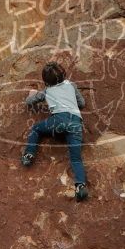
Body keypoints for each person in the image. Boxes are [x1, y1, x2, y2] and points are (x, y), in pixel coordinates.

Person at [21, 61, 89, 201]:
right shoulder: (71, 85)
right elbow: (82, 103)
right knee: (76, 158)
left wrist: (31, 94)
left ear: (46, 81)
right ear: (64, 74)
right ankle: (80, 186)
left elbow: (29, 102)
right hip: (76, 123)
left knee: (36, 129)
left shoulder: (47, 91)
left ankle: (29, 155)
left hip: (58, 121)